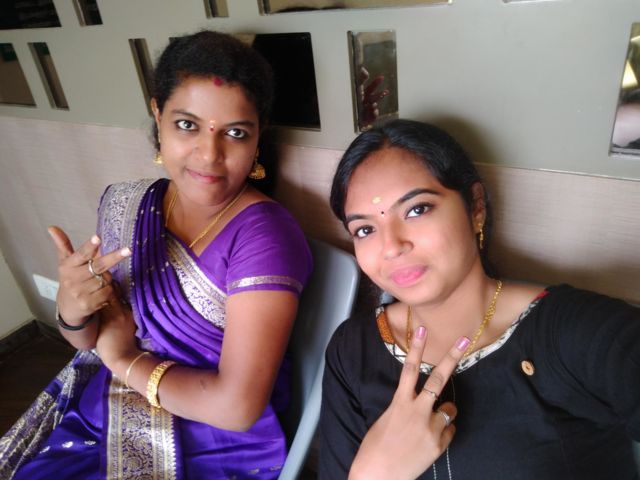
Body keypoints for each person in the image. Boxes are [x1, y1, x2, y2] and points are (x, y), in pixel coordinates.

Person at [0, 30, 313, 480]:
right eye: (187, 125)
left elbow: (237, 408)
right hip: (110, 406)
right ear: (157, 115)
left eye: (235, 133)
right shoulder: (127, 204)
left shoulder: (265, 237)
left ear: (257, 136)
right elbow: (94, 339)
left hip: (211, 439)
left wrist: (123, 361)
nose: (209, 154)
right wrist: (72, 307)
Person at [318, 119, 640, 479]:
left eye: (417, 209)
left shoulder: (581, 334)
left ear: (475, 207)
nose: (391, 246)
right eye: (365, 229)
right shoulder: (352, 350)